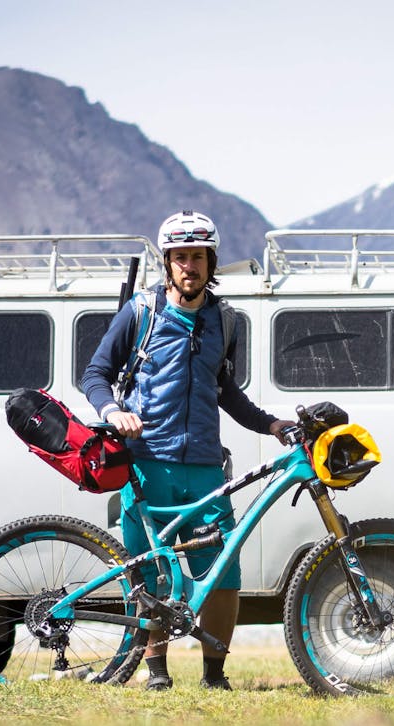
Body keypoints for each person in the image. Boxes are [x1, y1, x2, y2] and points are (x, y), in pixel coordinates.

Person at [82, 210, 292, 691]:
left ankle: (213, 675)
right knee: (149, 573)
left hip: (203, 465)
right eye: (180, 257)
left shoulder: (225, 320)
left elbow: (227, 392)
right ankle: (156, 673)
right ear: (168, 263)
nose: (189, 266)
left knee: (222, 574)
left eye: (198, 257)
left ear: (210, 262)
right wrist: (113, 411)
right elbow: (94, 374)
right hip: (146, 461)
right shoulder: (140, 312)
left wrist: (271, 424)